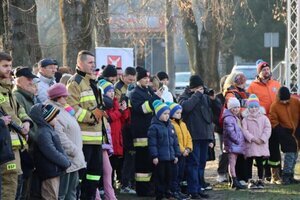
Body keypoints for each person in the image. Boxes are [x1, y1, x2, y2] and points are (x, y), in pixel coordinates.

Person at [66, 50, 104, 199]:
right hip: (83, 139)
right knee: (80, 176)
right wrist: (92, 117)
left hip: (96, 138)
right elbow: (71, 107)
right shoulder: (75, 82)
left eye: (94, 63)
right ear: (80, 63)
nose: (93, 65)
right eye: (90, 62)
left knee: (95, 175)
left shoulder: (92, 82)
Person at [178, 75, 220, 199]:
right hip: (193, 136)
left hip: (205, 135)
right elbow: (185, 108)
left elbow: (217, 112)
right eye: (198, 88)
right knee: (193, 163)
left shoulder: (205, 97)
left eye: (201, 88)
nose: (201, 90)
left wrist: (213, 99)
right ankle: (193, 190)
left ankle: (199, 187)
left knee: (201, 163)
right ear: (192, 88)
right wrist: (196, 95)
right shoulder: (184, 96)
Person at [0, 52, 33, 200]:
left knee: (15, 181)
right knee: (7, 183)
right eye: (4, 66)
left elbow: (19, 109)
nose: (9, 69)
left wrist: (26, 122)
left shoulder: (8, 88)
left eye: (10, 66)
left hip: (14, 146)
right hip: (4, 145)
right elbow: (8, 115)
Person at [46, 83, 86, 199]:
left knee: (71, 193)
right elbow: (60, 137)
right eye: (64, 96)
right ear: (56, 97)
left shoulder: (63, 109)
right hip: (67, 159)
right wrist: (74, 151)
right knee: (62, 194)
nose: (66, 98)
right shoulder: (53, 110)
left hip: (74, 159)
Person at [130, 66, 162, 196]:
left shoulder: (148, 90)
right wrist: (155, 98)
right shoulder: (135, 93)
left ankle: (151, 188)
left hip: (151, 132)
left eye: (147, 77)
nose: (147, 80)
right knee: (142, 164)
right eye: (144, 78)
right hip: (141, 134)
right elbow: (143, 109)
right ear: (138, 79)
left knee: (151, 163)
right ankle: (142, 190)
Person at [247, 60, 281, 184]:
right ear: (259, 73)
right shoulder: (252, 86)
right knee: (261, 150)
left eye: (268, 69)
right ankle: (264, 174)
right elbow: (248, 103)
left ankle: (275, 175)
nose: (266, 71)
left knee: (274, 148)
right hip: (260, 123)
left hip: (275, 122)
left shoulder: (276, 84)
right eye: (263, 70)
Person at [29, 103, 71, 200]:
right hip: (49, 173)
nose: (57, 119)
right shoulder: (43, 133)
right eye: (54, 116)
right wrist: (65, 162)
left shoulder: (48, 130)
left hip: (53, 171)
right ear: (47, 118)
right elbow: (51, 152)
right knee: (50, 197)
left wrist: (66, 161)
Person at [98, 79, 130, 190]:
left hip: (118, 141)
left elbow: (124, 119)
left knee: (116, 165)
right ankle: (105, 187)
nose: (112, 93)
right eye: (109, 91)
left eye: (112, 91)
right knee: (107, 167)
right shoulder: (104, 105)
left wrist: (124, 110)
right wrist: (120, 111)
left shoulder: (116, 104)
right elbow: (110, 118)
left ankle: (113, 187)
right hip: (109, 140)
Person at [13, 67, 39, 200]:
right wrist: (37, 139)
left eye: (32, 78)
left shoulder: (28, 97)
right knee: (21, 185)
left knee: (27, 185)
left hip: (31, 145)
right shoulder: (17, 96)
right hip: (25, 146)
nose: (31, 81)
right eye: (28, 78)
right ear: (18, 80)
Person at [148, 100, 180, 200]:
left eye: (168, 114)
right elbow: (152, 144)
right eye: (164, 114)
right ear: (158, 114)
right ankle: (160, 194)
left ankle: (168, 192)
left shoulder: (171, 126)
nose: (167, 116)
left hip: (170, 157)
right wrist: (155, 156)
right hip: (160, 159)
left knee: (169, 176)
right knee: (160, 177)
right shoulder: (154, 127)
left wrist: (176, 154)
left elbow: (175, 142)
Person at [269, 86, 300, 185]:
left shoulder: (295, 102)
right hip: (284, 132)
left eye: (287, 100)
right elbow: (273, 120)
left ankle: (290, 175)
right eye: (283, 101)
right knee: (289, 153)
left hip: (296, 130)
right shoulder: (274, 106)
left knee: (295, 153)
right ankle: (286, 175)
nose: (285, 102)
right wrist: (281, 131)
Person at [223, 72, 249, 185]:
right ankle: (235, 178)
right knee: (234, 158)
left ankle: (241, 178)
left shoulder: (243, 93)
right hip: (236, 126)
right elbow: (234, 107)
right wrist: (246, 111)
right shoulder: (231, 93)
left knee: (241, 155)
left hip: (242, 125)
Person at [241, 94, 272, 189]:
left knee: (260, 164)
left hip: (260, 145)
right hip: (250, 144)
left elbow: (268, 129)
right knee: (248, 163)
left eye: (255, 107)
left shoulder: (264, 118)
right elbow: (244, 131)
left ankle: (260, 180)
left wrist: (262, 139)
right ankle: (250, 180)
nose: (253, 109)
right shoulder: (245, 119)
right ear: (248, 108)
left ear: (259, 107)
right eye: (251, 107)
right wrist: (253, 138)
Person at [167, 102, 192, 200]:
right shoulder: (171, 125)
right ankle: (174, 191)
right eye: (177, 112)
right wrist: (182, 150)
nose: (179, 114)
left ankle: (178, 190)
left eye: (180, 113)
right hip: (177, 153)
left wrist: (189, 148)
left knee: (181, 173)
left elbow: (188, 137)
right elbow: (175, 140)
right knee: (175, 174)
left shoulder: (183, 124)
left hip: (184, 153)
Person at [222, 97, 246, 189]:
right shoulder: (229, 119)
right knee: (232, 163)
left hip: (235, 144)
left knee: (233, 163)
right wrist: (237, 140)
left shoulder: (235, 117)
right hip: (232, 144)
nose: (236, 109)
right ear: (230, 108)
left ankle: (233, 181)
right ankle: (234, 180)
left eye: (237, 107)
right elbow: (231, 132)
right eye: (234, 108)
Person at [215, 75, 229, 183]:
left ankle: (231, 172)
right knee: (225, 151)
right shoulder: (218, 97)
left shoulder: (233, 95)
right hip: (222, 128)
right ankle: (221, 172)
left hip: (234, 127)